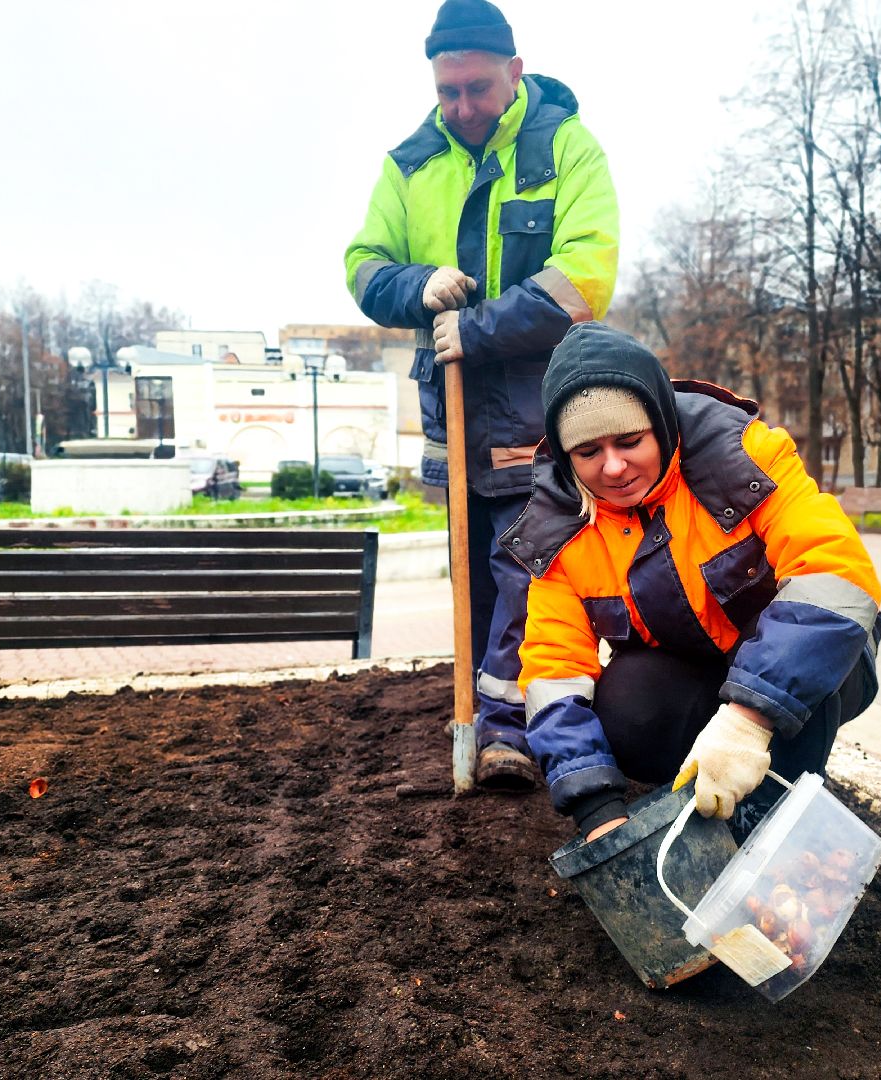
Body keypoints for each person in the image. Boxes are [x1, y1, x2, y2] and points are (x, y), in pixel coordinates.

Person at [344, 0, 620, 789]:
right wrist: (415, 284)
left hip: (533, 404)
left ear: (515, 73)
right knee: (471, 569)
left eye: (476, 88)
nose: (462, 107)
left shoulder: (565, 147)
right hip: (452, 406)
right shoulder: (409, 163)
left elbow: (584, 277)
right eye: (447, 92)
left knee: (524, 565)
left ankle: (505, 733)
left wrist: (481, 328)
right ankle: (474, 717)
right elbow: (364, 264)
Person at [501, 323, 881, 840]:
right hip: (697, 671)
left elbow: (834, 573)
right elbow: (554, 669)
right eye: (588, 452)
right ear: (567, 458)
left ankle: (782, 819)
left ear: (661, 424)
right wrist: (597, 810)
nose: (613, 467)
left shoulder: (744, 458)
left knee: (798, 662)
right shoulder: (561, 532)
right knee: (629, 704)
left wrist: (748, 720)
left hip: (816, 668)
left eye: (630, 441)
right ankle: (702, 803)